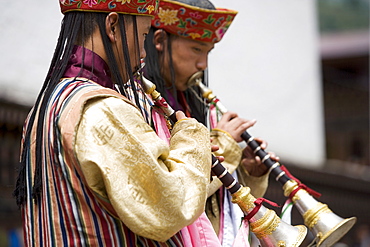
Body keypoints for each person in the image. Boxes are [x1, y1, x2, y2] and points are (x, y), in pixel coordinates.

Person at [13, 0, 219, 246]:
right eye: (143, 36)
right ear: (112, 26)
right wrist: (191, 138)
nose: (143, 54)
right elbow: (169, 207)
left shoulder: (49, 103)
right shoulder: (103, 108)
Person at [143, 0, 278, 246]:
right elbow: (171, 196)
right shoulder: (141, 104)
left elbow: (218, 206)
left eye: (208, 52)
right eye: (196, 50)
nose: (203, 64)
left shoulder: (199, 107)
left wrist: (251, 175)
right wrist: (223, 144)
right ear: (159, 40)